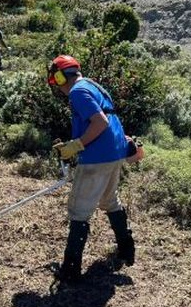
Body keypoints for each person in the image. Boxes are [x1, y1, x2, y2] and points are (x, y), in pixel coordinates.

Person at [47, 54, 134, 283]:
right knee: (109, 201)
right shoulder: (94, 86)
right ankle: (126, 250)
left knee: (79, 209)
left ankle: (70, 271)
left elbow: (100, 122)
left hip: (97, 158)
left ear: (58, 76)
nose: (57, 88)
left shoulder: (77, 92)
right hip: (115, 152)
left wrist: (77, 145)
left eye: (55, 81)